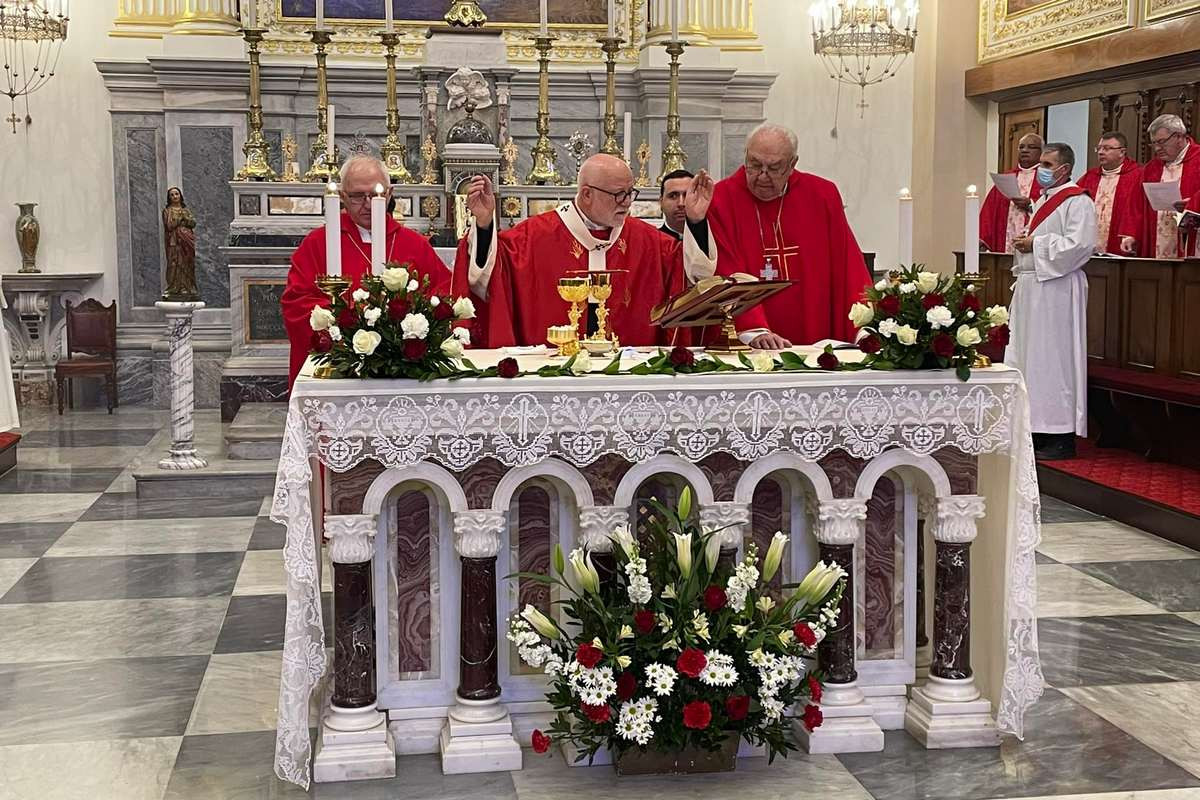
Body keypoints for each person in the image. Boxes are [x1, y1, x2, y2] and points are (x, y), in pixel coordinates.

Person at [453, 153, 767, 349]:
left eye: (631, 193)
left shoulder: (648, 242)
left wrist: (696, 222)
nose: (628, 203)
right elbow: (488, 281)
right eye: (618, 195)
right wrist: (484, 225)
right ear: (586, 194)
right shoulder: (534, 237)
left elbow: (694, 280)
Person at [281, 155, 450, 386]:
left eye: (376, 195)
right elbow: (296, 303)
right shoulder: (318, 243)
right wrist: (346, 329)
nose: (368, 204)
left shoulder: (414, 244)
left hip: (403, 374)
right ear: (341, 197)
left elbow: (442, 295)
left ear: (389, 194)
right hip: (339, 370)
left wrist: (411, 330)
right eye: (358, 196)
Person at [706, 123, 868, 347]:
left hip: (815, 331)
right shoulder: (721, 199)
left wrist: (863, 326)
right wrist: (753, 329)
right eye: (754, 165)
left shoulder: (821, 195)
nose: (762, 176)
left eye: (774, 168)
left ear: (793, 164)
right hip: (754, 341)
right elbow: (724, 267)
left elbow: (848, 265)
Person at [1007, 143, 1096, 461]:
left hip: (1057, 289)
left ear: (1065, 168)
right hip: (1034, 286)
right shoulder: (1043, 200)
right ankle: (1035, 428)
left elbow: (1081, 245)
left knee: (1053, 360)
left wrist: (1036, 244)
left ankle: (1059, 434)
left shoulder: (1078, 201)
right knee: (1031, 358)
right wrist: (1025, 245)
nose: (1041, 170)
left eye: (1047, 163)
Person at [1120, 114, 1200, 258]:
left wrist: (1192, 205)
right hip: (1156, 244)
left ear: (1179, 137)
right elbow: (1136, 205)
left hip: (1191, 240)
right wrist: (1131, 235)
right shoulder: (1151, 169)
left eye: (1161, 142)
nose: (1157, 148)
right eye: (1153, 143)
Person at [1077, 131, 1143, 255]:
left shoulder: (1137, 175)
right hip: (1090, 245)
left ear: (1122, 152)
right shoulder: (1090, 177)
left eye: (1107, 148)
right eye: (1099, 148)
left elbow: (1140, 210)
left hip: (1121, 244)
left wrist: (1131, 234)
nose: (1101, 152)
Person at [980, 133, 1044, 253]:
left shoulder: (1046, 179)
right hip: (1004, 243)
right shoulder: (1005, 179)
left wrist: (1031, 205)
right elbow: (988, 212)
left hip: (1032, 247)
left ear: (1042, 152)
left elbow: (1052, 208)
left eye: (1031, 147)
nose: (1025, 150)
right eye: (1021, 147)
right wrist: (982, 238)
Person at [162, 187, 199, 301]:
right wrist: (180, 220)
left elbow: (193, 223)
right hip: (174, 242)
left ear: (180, 196)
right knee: (174, 264)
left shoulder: (186, 210)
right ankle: (174, 287)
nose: (175, 197)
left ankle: (187, 287)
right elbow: (169, 226)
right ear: (169, 198)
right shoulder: (167, 211)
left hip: (186, 241)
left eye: (176, 194)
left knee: (186, 263)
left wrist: (186, 219)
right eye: (172, 195)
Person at [658, 169, 693, 240]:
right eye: (673, 196)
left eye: (687, 195)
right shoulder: (650, 241)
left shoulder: (711, 241)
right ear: (661, 202)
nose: (681, 203)